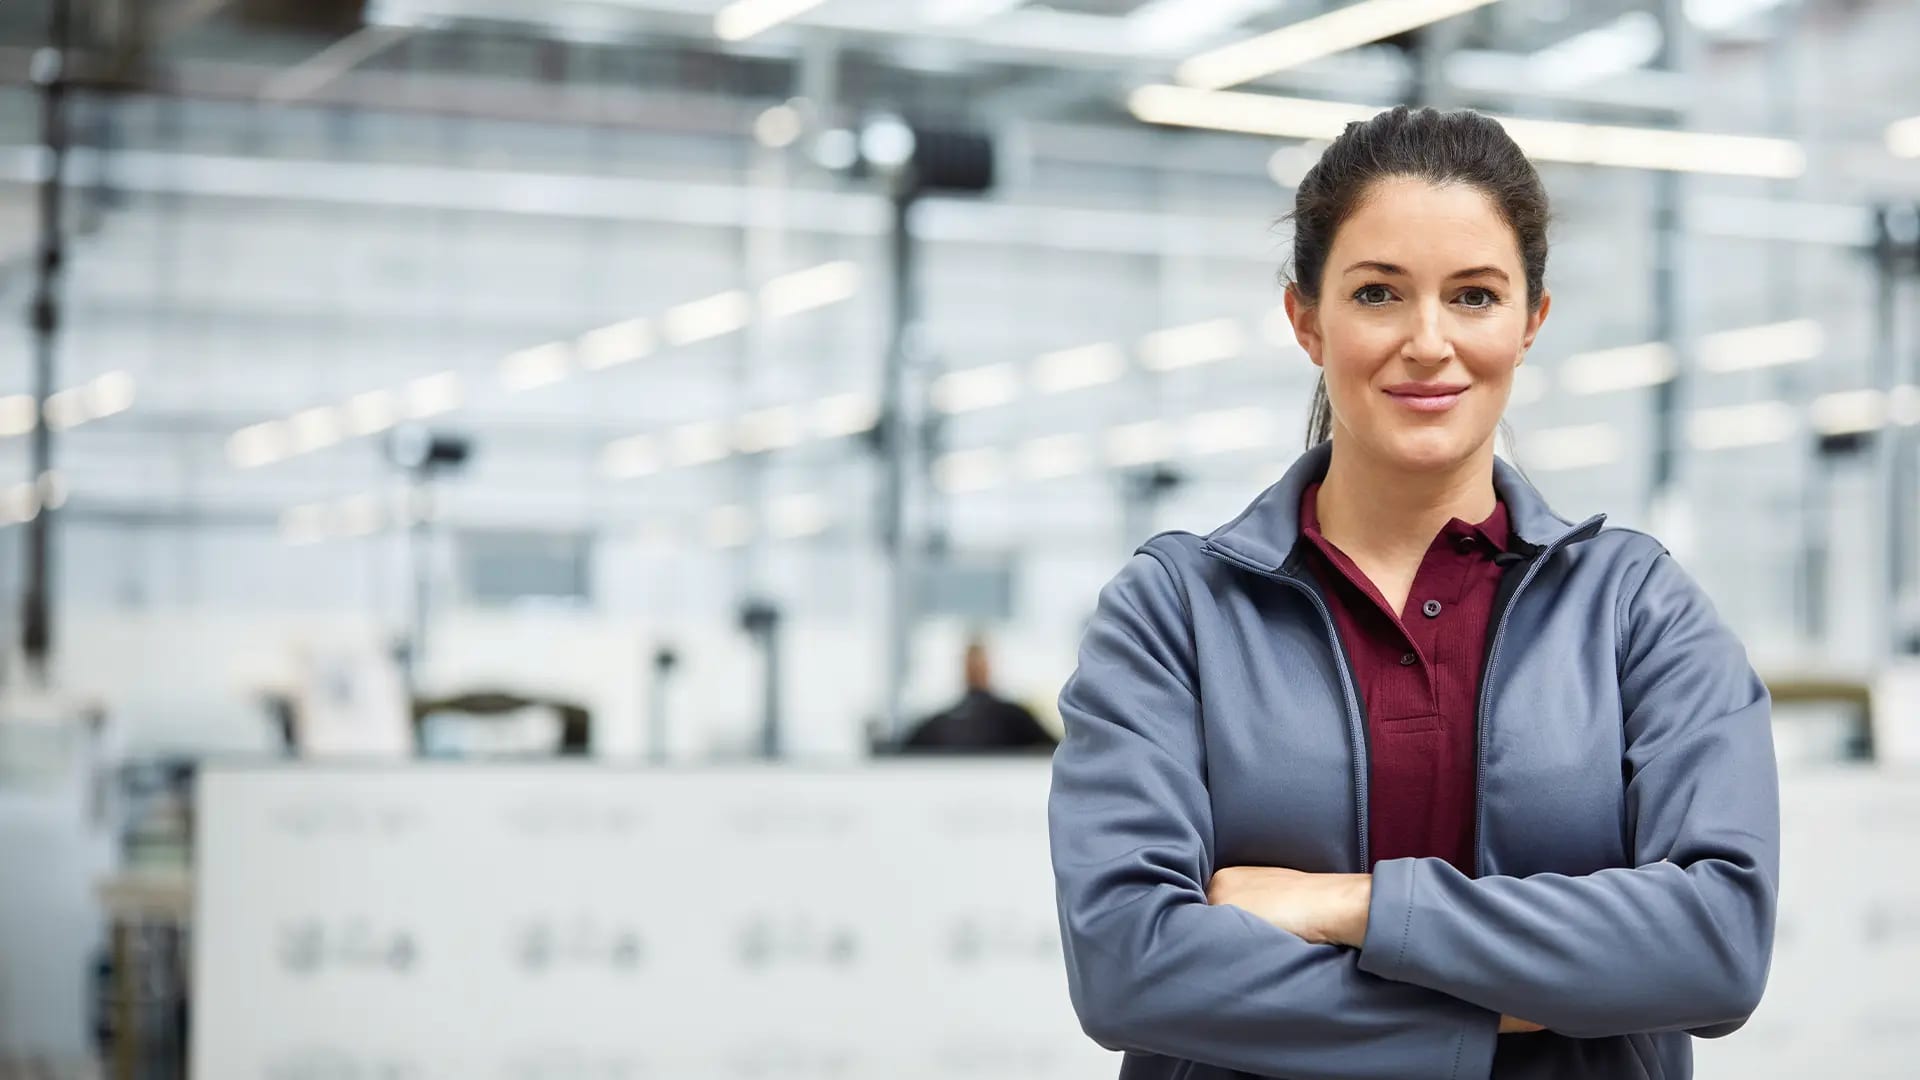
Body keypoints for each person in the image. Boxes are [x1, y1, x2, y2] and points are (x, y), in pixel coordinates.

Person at [1048, 106, 1778, 1080]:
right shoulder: (1173, 612)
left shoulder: (1636, 607)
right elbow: (1127, 966)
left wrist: (1349, 907)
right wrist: (1515, 1015)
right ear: (1306, 319)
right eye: (1379, 294)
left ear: (1532, 322)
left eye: (1474, 297)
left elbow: (1716, 944)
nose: (1428, 341)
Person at [898, 638, 1056, 754]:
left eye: (979, 664)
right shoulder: (941, 724)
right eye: (972, 665)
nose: (976, 670)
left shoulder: (1013, 717)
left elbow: (1051, 747)